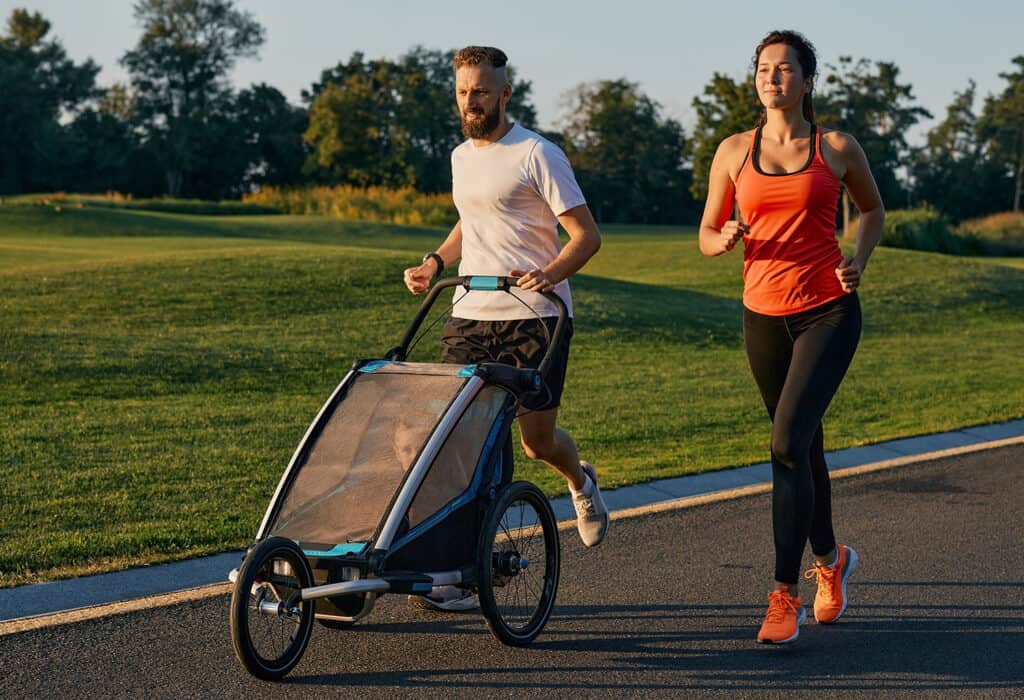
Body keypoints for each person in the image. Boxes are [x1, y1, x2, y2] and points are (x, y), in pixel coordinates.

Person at [402, 45, 610, 611]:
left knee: (535, 442)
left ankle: (580, 482)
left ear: (505, 94)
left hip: (535, 319)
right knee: (448, 440)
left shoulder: (538, 154)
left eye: (482, 92)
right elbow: (470, 225)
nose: (472, 101)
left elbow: (585, 237)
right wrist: (434, 263)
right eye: (464, 91)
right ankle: (456, 568)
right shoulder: (460, 156)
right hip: (470, 314)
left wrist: (551, 272)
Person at [698, 30, 884, 644]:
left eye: (784, 69)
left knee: (784, 444)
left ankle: (784, 595)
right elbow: (704, 230)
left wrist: (858, 255)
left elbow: (872, 210)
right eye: (763, 69)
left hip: (828, 310)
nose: (771, 78)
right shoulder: (731, 151)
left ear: (807, 80)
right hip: (762, 316)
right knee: (804, 448)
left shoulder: (836, 147)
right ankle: (832, 561)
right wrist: (721, 239)